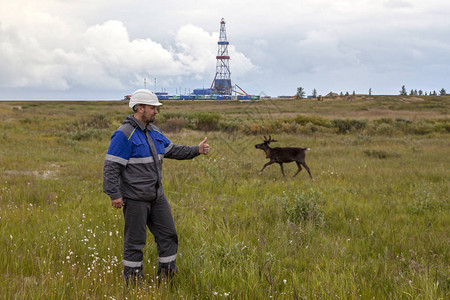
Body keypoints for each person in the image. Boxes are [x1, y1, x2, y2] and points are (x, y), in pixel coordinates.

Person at [103, 89, 210, 283]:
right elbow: (111, 166)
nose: (156, 112)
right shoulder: (124, 134)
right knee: (135, 243)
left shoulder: (155, 132)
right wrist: (114, 194)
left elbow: (172, 150)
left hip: (157, 197)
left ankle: (166, 280)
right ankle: (134, 285)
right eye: (153, 108)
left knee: (169, 236)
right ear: (140, 108)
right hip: (135, 199)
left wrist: (197, 150)